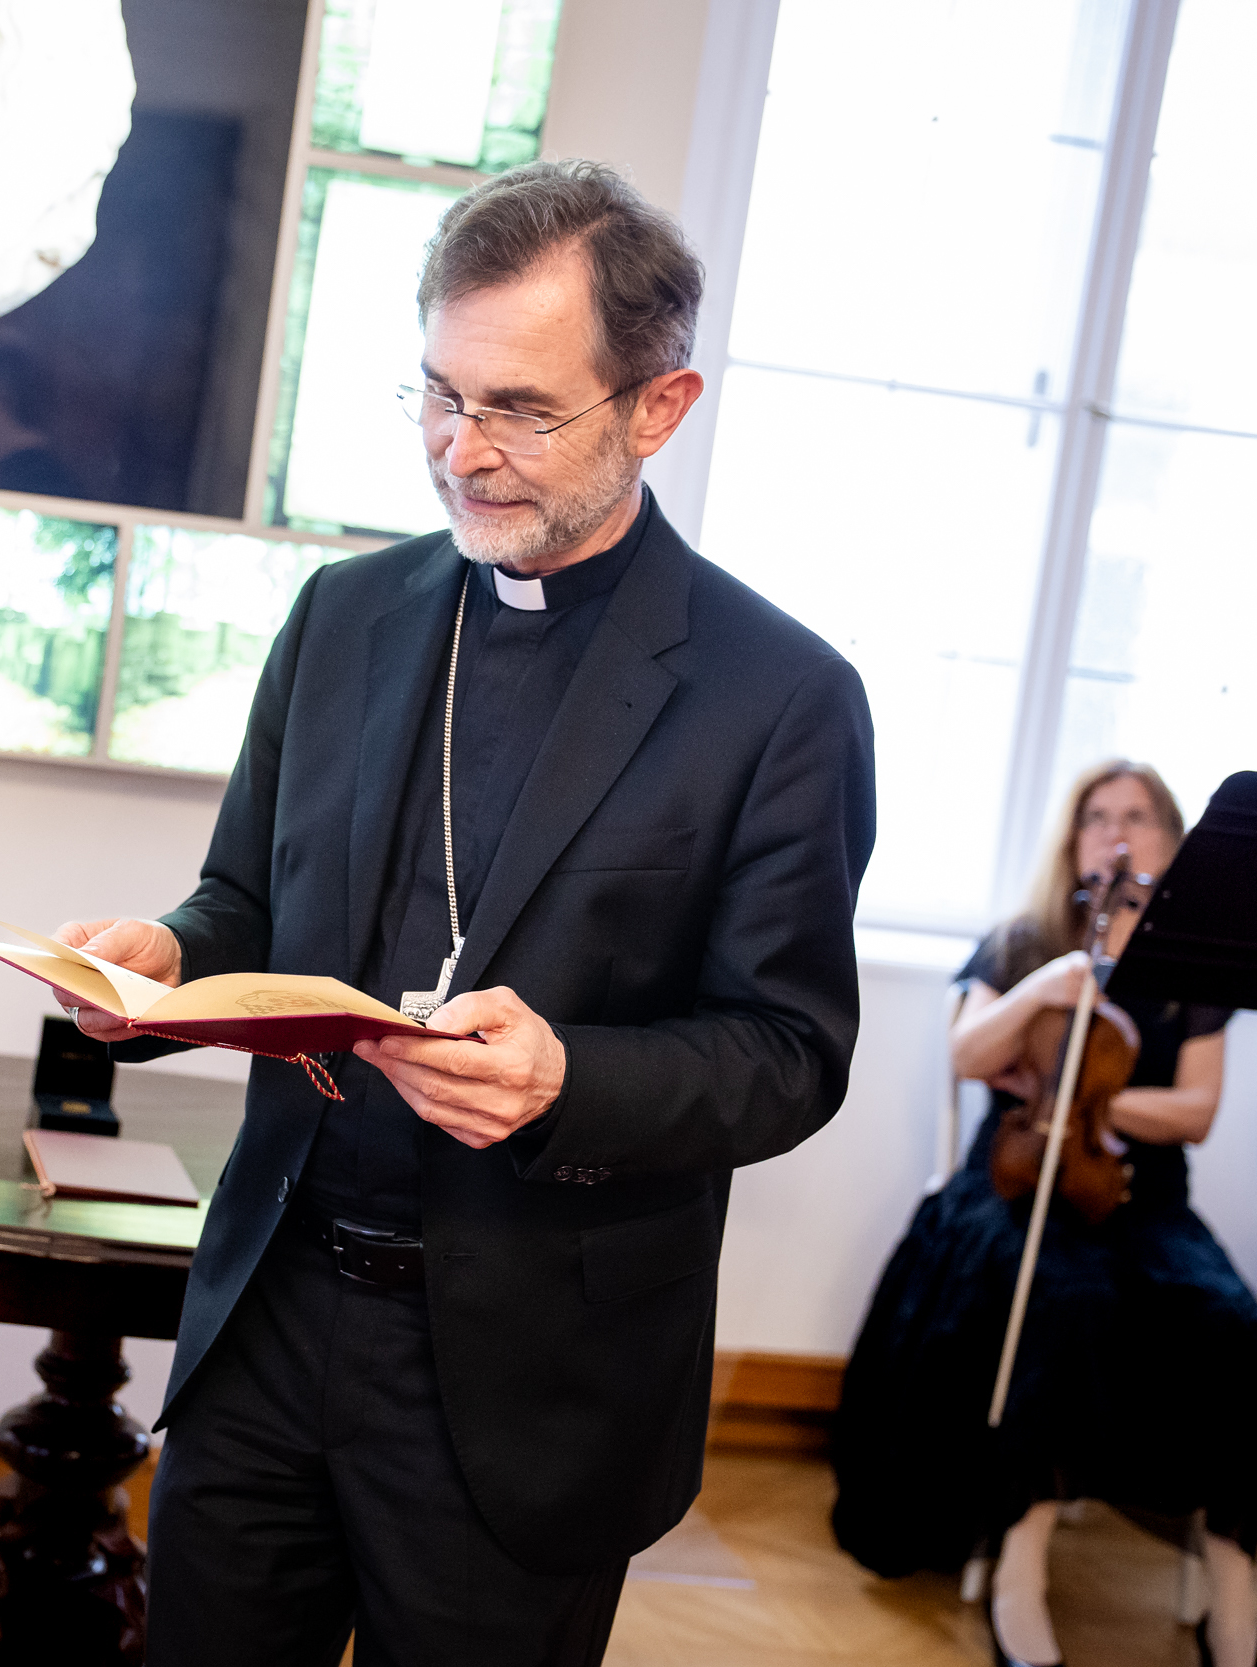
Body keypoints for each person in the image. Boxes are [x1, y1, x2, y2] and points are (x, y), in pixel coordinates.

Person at [54, 158, 876, 1666]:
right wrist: (165, 960)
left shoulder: (779, 698)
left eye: (520, 409)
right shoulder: (344, 617)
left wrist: (568, 1078)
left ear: (658, 407)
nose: (462, 448)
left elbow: (788, 1052)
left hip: (531, 1375)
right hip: (271, 1312)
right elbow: (247, 899)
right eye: (439, 393)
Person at [831, 761, 1257, 1667]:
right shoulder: (1024, 942)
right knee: (1061, 1300)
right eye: (1096, 816)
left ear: (1173, 840)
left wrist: (1091, 1104)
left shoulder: (1195, 965)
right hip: (1014, 1183)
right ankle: (1019, 1566)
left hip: (1142, 1197)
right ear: (1072, 840)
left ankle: (1234, 1587)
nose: (1116, 832)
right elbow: (967, 1053)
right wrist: (1049, 987)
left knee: (1232, 1320)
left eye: (1138, 816)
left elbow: (1196, 1110)